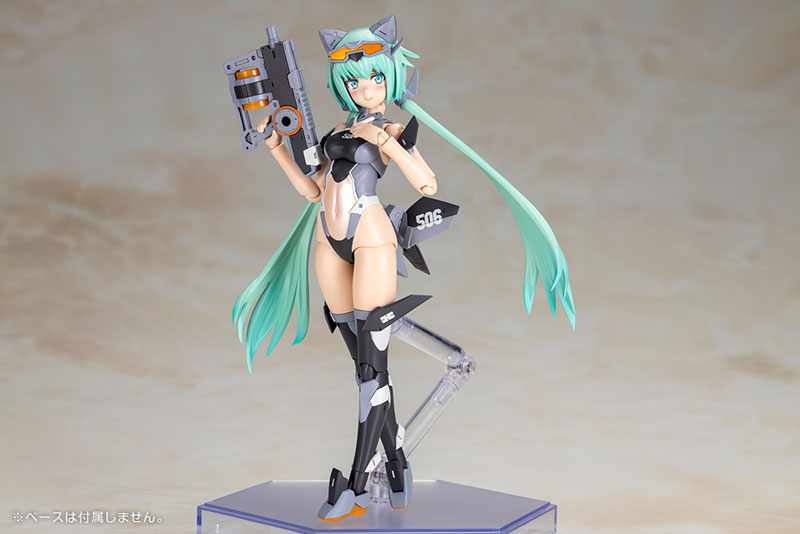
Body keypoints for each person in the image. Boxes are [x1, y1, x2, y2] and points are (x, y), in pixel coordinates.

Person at [232, 15, 575, 523]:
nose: (364, 87)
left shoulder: (388, 129)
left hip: (371, 238)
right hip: (328, 243)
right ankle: (396, 465)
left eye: (374, 78)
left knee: (372, 369)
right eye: (354, 80)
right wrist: (277, 148)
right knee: (363, 366)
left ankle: (354, 484)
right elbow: (312, 191)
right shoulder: (336, 131)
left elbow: (427, 184)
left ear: (389, 78)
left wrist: (390, 142)